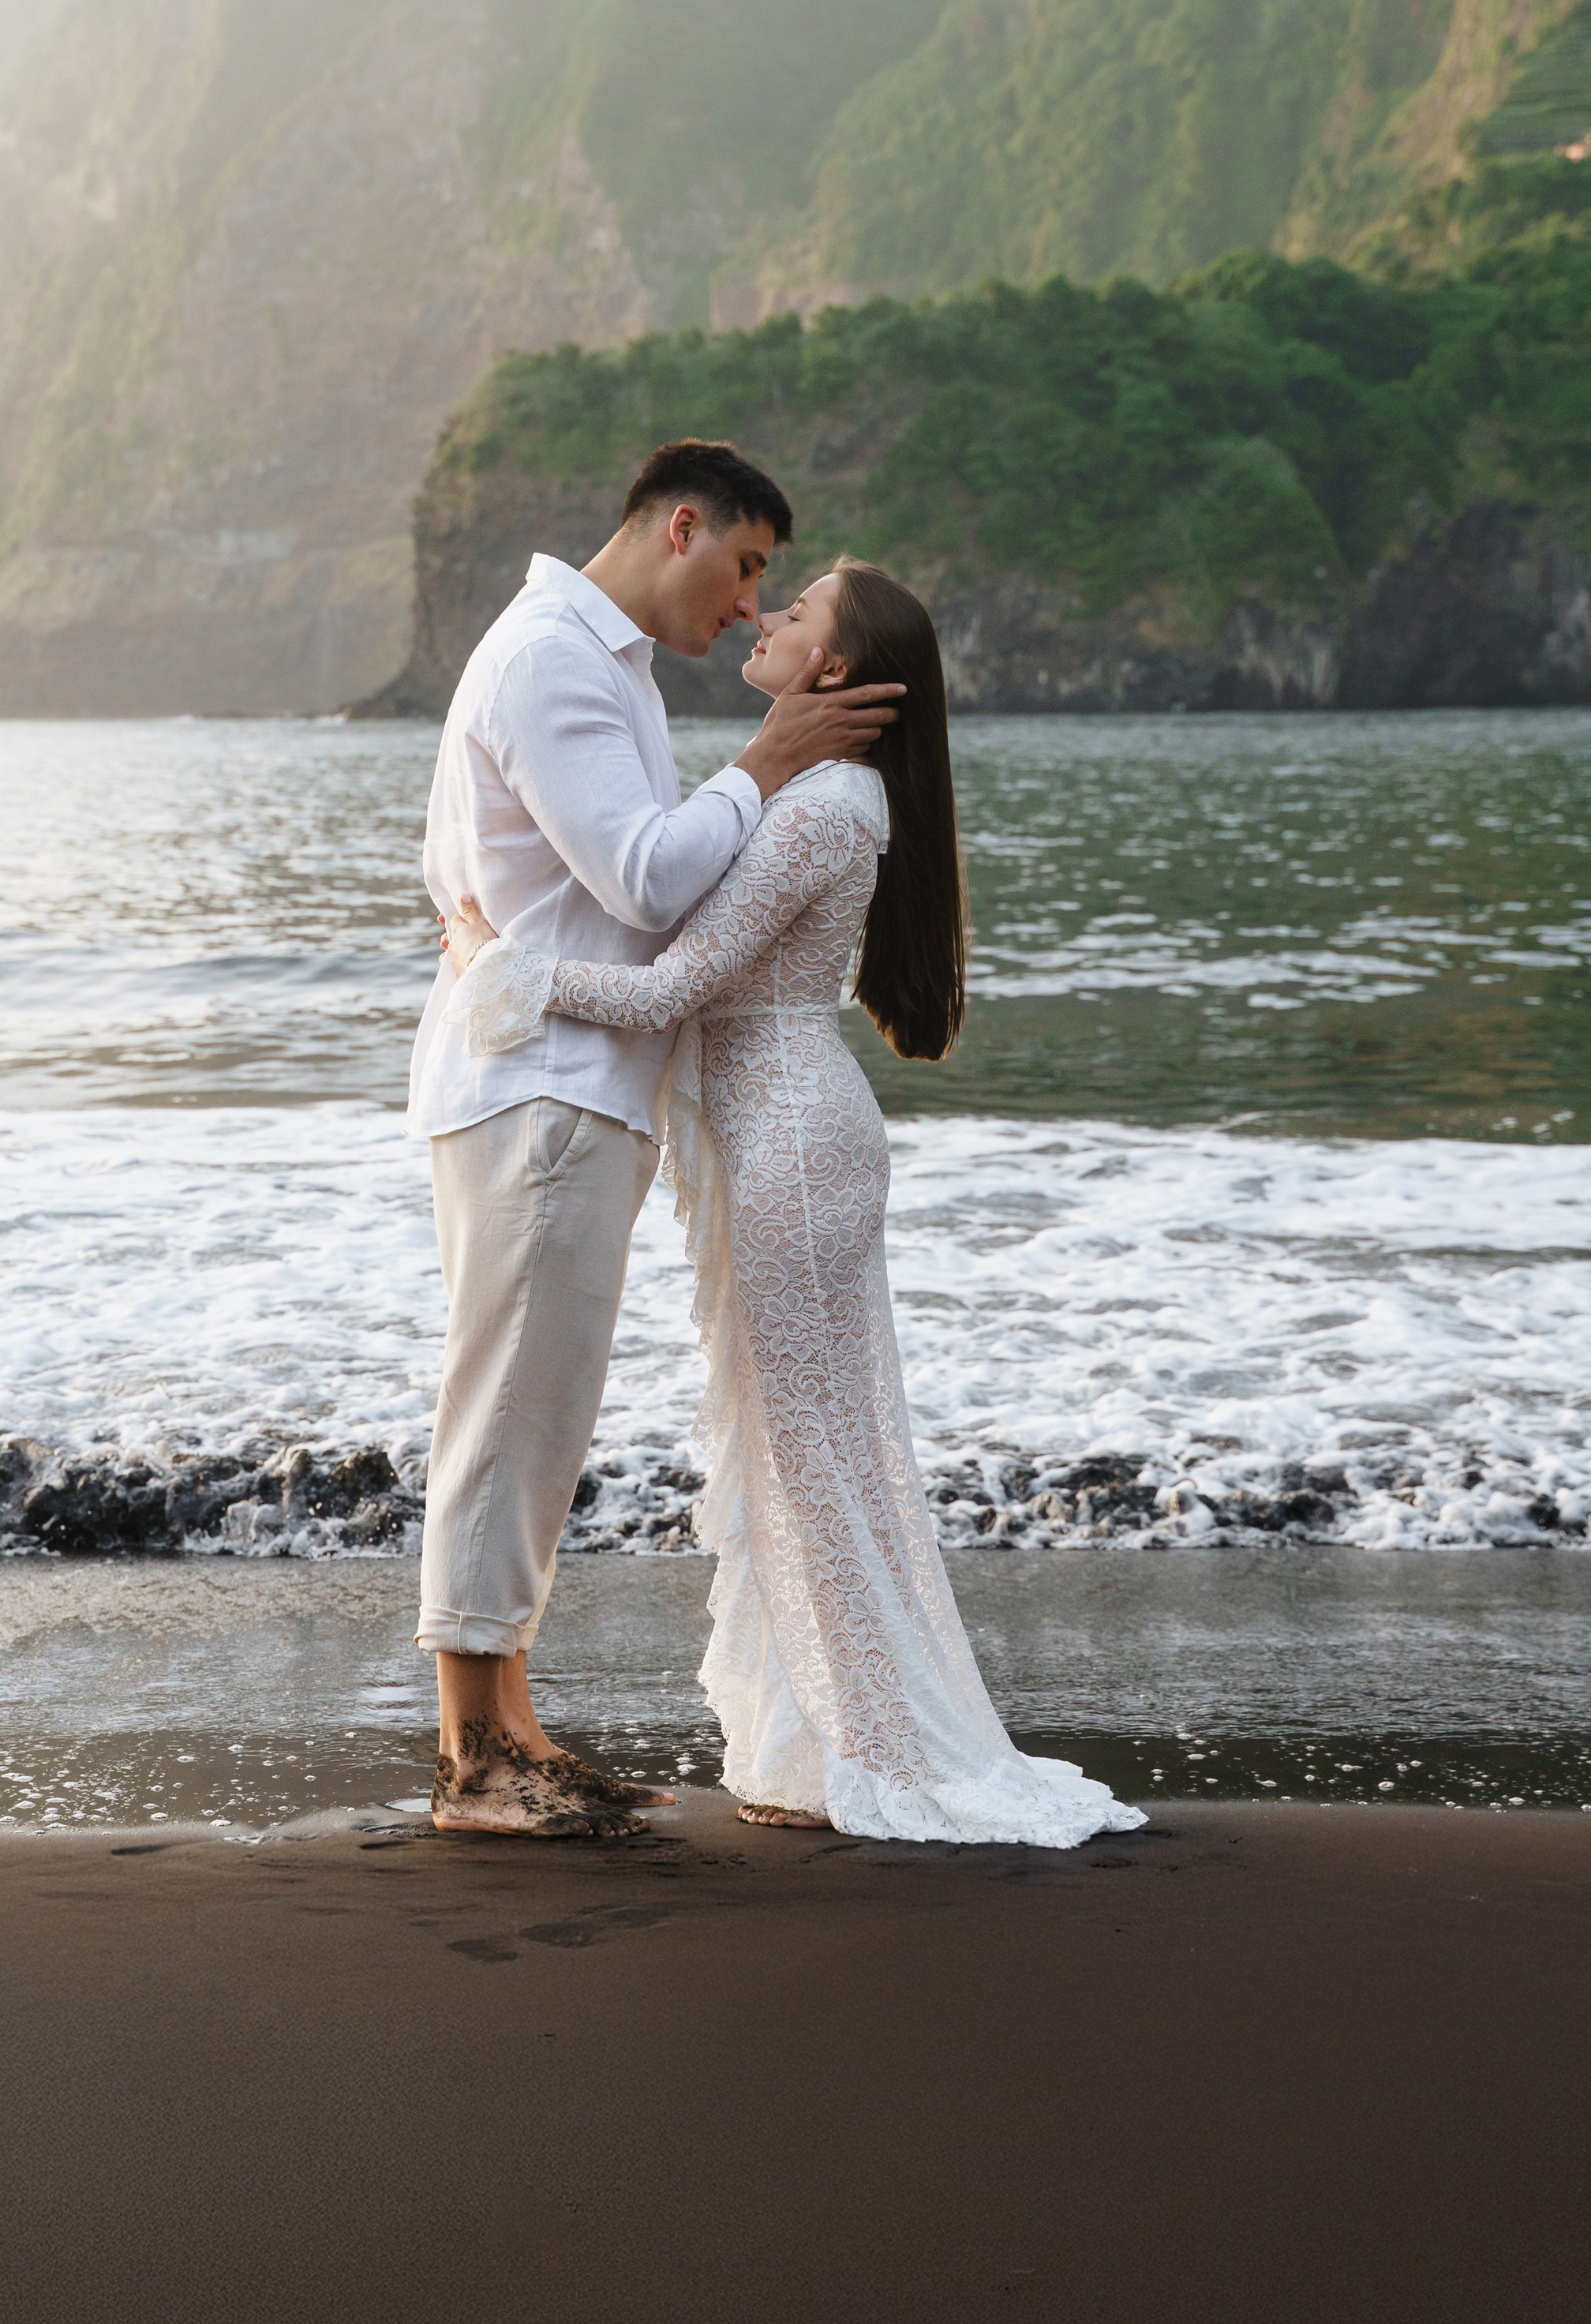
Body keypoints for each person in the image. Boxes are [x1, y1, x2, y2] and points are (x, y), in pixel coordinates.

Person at [445, 557, 1145, 1847]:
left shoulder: (825, 806)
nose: (765, 614)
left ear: (831, 668)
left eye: (797, 604)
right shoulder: (817, 793)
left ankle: (880, 1749)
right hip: (789, 1141)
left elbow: (672, 990)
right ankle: (838, 1739)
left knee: (820, 1461)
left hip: (796, 1150)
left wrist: (506, 965)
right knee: (810, 1450)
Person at [408, 441, 904, 1836]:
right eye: (748, 564)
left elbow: (545, 876)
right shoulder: (558, 658)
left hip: (564, 1076)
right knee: (508, 1408)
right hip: (545, 1085)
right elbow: (641, 877)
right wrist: (765, 759)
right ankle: (471, 1754)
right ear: (680, 526)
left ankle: (505, 1723)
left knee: (537, 1409)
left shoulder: (596, 661)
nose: (752, 605)